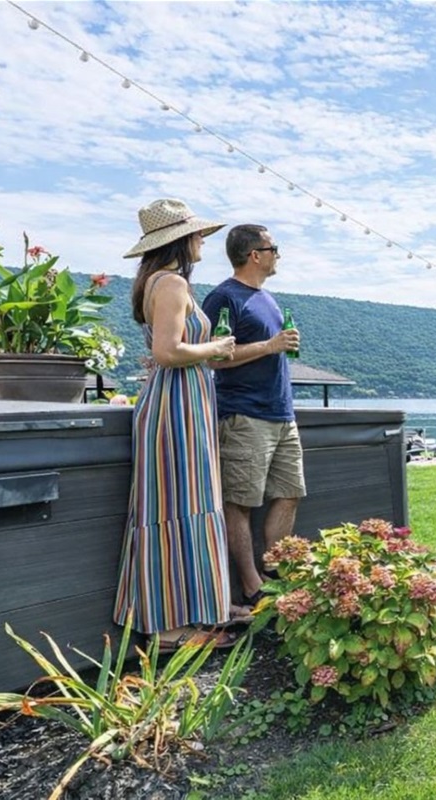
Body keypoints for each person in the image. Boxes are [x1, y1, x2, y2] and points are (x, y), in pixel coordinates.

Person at [113, 198, 241, 650]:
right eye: (198, 234)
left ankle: (190, 613)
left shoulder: (160, 282)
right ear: (181, 240)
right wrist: (217, 347)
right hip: (175, 404)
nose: (203, 240)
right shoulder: (169, 284)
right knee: (176, 503)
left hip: (182, 402)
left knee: (183, 501)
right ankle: (170, 630)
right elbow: (169, 352)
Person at [201, 225, 304, 606]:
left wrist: (278, 346)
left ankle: (275, 572)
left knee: (290, 492)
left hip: (281, 414)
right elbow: (211, 357)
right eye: (273, 247)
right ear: (254, 255)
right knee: (239, 503)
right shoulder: (223, 298)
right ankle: (251, 586)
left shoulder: (268, 299)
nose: (278, 253)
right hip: (243, 416)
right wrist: (270, 345)